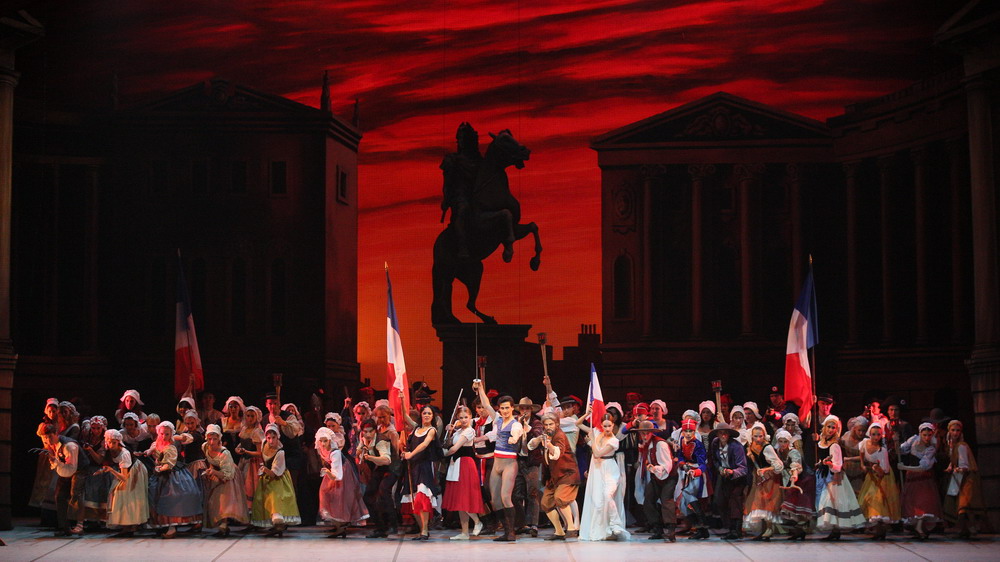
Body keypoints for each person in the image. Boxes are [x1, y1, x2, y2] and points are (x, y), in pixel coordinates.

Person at [474, 381, 522, 542]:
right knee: (495, 500)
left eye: (507, 408)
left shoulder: (515, 424)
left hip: (509, 464)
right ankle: (506, 530)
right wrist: (481, 389)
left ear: (512, 408)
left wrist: (514, 438)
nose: (505, 410)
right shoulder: (498, 420)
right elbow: (486, 405)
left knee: (505, 497)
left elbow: (516, 433)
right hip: (497, 463)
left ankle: (511, 532)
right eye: (502, 408)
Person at [146, 421, 203, 539]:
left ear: (171, 434)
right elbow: (151, 450)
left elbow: (169, 464)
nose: (164, 436)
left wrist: (161, 468)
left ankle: (172, 527)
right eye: (162, 434)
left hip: (173, 473)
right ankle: (162, 525)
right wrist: (146, 453)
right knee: (155, 496)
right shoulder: (156, 443)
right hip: (159, 474)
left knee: (172, 496)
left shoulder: (171, 446)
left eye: (167, 434)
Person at [529, 412, 580, 540]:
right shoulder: (546, 435)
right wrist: (539, 439)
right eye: (546, 425)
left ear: (557, 424)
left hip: (567, 474)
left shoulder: (559, 436)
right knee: (546, 503)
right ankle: (559, 531)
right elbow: (530, 446)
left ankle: (571, 529)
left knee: (560, 498)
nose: (548, 427)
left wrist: (549, 444)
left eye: (551, 424)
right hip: (554, 476)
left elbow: (557, 454)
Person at [579, 412, 629, 541]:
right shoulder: (597, 432)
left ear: (613, 425)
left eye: (609, 426)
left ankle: (615, 524)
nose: (607, 428)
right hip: (598, 469)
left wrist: (592, 441)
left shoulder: (614, 441)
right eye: (605, 426)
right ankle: (604, 530)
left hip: (610, 468)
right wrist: (587, 413)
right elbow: (578, 424)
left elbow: (597, 453)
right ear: (601, 425)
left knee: (608, 495)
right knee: (598, 502)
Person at [814, 415, 865, 540]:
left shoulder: (834, 445)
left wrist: (830, 465)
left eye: (833, 428)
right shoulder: (821, 443)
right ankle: (834, 531)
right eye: (829, 427)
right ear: (824, 427)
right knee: (827, 502)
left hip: (833, 477)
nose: (831, 430)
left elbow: (838, 465)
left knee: (833, 502)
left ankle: (836, 530)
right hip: (823, 475)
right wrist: (820, 463)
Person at [316, 426, 369, 537]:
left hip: (341, 474)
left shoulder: (335, 452)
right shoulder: (322, 449)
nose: (323, 444)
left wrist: (327, 472)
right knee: (326, 494)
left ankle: (341, 525)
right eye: (321, 441)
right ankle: (338, 524)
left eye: (325, 441)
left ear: (330, 440)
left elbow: (338, 475)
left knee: (339, 497)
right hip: (332, 472)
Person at [441, 405, 485, 540]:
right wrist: (449, 431)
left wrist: (442, 455)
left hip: (465, 465)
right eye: (461, 417)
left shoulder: (470, 431)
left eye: (466, 417)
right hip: (455, 465)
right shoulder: (458, 431)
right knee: (459, 500)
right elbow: (448, 443)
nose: (464, 420)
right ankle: (465, 532)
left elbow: (454, 448)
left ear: (470, 417)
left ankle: (477, 521)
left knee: (464, 497)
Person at [251, 423, 301, 537]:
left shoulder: (280, 452)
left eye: (273, 438)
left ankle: (279, 525)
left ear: (277, 437)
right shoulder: (264, 444)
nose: (271, 441)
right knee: (266, 500)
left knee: (276, 500)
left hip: (278, 479)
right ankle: (275, 525)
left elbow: (275, 473)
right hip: (267, 477)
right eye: (269, 438)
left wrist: (265, 469)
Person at [400, 402, 440, 540]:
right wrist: (402, 398)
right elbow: (405, 415)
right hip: (413, 466)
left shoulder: (432, 430)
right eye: (424, 413)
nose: (427, 415)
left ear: (433, 416)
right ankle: (422, 529)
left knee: (422, 497)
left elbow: (424, 444)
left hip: (425, 466)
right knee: (413, 498)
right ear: (421, 415)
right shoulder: (416, 429)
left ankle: (425, 530)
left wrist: (411, 454)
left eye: (429, 413)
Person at [200, 424, 248, 537]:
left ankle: (224, 525)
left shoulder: (224, 453)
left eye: (214, 439)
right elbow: (210, 461)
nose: (212, 442)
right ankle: (221, 525)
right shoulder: (205, 447)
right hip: (217, 474)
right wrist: (210, 470)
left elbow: (228, 474)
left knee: (224, 500)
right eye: (209, 439)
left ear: (219, 439)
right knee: (214, 500)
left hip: (228, 476)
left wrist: (214, 472)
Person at [632, 420, 676, 542]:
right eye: (642, 433)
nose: (645, 436)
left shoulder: (660, 444)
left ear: (652, 433)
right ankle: (657, 528)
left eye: (647, 433)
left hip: (668, 476)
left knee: (666, 500)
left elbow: (667, 465)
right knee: (648, 500)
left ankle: (671, 531)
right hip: (656, 476)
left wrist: (655, 468)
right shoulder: (646, 444)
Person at [38, 422, 84, 536]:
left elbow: (71, 468)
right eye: (45, 437)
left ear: (56, 433)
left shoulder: (69, 446)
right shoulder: (52, 444)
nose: (48, 440)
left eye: (50, 436)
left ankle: (79, 525)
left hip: (79, 469)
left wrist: (56, 462)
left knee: (75, 494)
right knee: (59, 496)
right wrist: (54, 460)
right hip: (66, 469)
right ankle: (64, 527)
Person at [898, 422, 943, 540]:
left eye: (929, 435)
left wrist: (905, 467)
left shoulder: (931, 448)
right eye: (924, 435)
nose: (927, 438)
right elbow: (901, 450)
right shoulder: (913, 440)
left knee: (923, 503)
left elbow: (923, 467)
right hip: (912, 478)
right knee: (913, 503)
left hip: (924, 478)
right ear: (920, 434)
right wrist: (896, 442)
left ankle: (920, 528)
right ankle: (918, 528)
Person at [102, 429, 149, 537]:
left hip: (134, 472)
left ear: (118, 442)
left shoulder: (124, 454)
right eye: (109, 442)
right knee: (121, 496)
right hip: (126, 472)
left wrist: (111, 470)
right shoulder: (110, 450)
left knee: (127, 496)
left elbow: (124, 477)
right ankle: (127, 526)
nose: (111, 445)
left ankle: (131, 525)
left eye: (114, 442)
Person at [943, 420, 985, 538]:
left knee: (965, 503)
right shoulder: (952, 445)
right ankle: (964, 529)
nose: (955, 433)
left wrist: (959, 469)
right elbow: (953, 460)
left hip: (966, 478)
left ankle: (972, 528)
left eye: (957, 430)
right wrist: (950, 467)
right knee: (958, 503)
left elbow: (964, 464)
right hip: (959, 477)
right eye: (953, 430)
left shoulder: (961, 445)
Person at [857, 422, 899, 540]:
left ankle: (881, 530)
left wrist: (876, 468)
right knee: (869, 499)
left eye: (878, 435)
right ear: (869, 434)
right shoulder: (864, 443)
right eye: (873, 434)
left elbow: (885, 470)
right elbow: (861, 454)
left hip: (882, 477)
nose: (876, 437)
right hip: (871, 475)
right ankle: (878, 530)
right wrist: (863, 465)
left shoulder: (882, 450)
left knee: (878, 501)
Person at [742, 422, 784, 541]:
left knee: (768, 502)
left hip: (770, 478)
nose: (758, 439)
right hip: (759, 478)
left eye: (760, 436)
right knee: (758, 502)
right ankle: (763, 529)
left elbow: (779, 465)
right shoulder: (751, 445)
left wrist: (766, 469)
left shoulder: (767, 447)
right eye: (756, 436)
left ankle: (769, 529)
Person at [358, 415, 397, 538]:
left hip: (393, 467)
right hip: (380, 468)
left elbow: (386, 460)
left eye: (370, 431)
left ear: (375, 431)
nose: (368, 434)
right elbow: (358, 452)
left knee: (384, 491)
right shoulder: (364, 439)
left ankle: (393, 524)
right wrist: (362, 450)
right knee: (368, 496)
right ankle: (380, 527)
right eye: (365, 432)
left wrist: (370, 457)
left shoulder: (381, 441)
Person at [707, 422, 747, 540]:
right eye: (721, 433)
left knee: (735, 502)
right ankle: (729, 527)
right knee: (720, 500)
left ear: (729, 434)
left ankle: (736, 530)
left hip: (737, 478)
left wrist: (732, 472)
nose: (723, 435)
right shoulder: (715, 443)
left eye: (726, 433)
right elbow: (714, 459)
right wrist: (720, 469)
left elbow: (743, 468)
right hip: (724, 476)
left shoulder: (736, 446)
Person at [512, 397, 544, 537]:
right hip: (518, 460)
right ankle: (521, 523)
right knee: (516, 494)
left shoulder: (536, 423)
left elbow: (537, 435)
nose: (524, 411)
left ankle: (533, 524)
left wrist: (527, 427)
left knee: (532, 493)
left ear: (531, 410)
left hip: (531, 462)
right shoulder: (515, 422)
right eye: (522, 408)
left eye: (527, 408)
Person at [676, 417, 709, 540]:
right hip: (685, 473)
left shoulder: (698, 445)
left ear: (694, 432)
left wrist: (696, 472)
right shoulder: (682, 441)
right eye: (686, 431)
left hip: (696, 474)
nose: (688, 434)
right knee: (683, 504)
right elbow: (680, 456)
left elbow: (703, 464)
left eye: (691, 431)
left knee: (688, 496)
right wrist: (682, 463)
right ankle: (700, 528)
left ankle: (702, 525)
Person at [774, 429, 811, 540]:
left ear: (789, 442)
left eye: (785, 441)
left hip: (802, 479)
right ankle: (798, 532)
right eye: (781, 441)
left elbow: (796, 466)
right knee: (792, 505)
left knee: (797, 505)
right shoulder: (778, 452)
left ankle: (801, 529)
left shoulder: (793, 452)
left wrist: (794, 477)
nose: (783, 444)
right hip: (789, 479)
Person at [235, 406, 265, 513]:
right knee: (241, 484)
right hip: (243, 461)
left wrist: (246, 452)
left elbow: (259, 453)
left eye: (252, 416)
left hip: (253, 463)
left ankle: (254, 513)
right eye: (248, 416)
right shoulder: (244, 429)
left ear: (257, 417)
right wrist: (237, 449)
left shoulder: (257, 432)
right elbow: (242, 443)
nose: (250, 418)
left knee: (250, 486)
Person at [840, 416, 869, 495]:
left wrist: (849, 459)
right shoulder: (847, 436)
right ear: (855, 428)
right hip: (847, 469)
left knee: (859, 492)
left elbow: (865, 457)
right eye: (859, 430)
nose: (861, 433)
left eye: (863, 431)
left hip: (860, 470)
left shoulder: (866, 440)